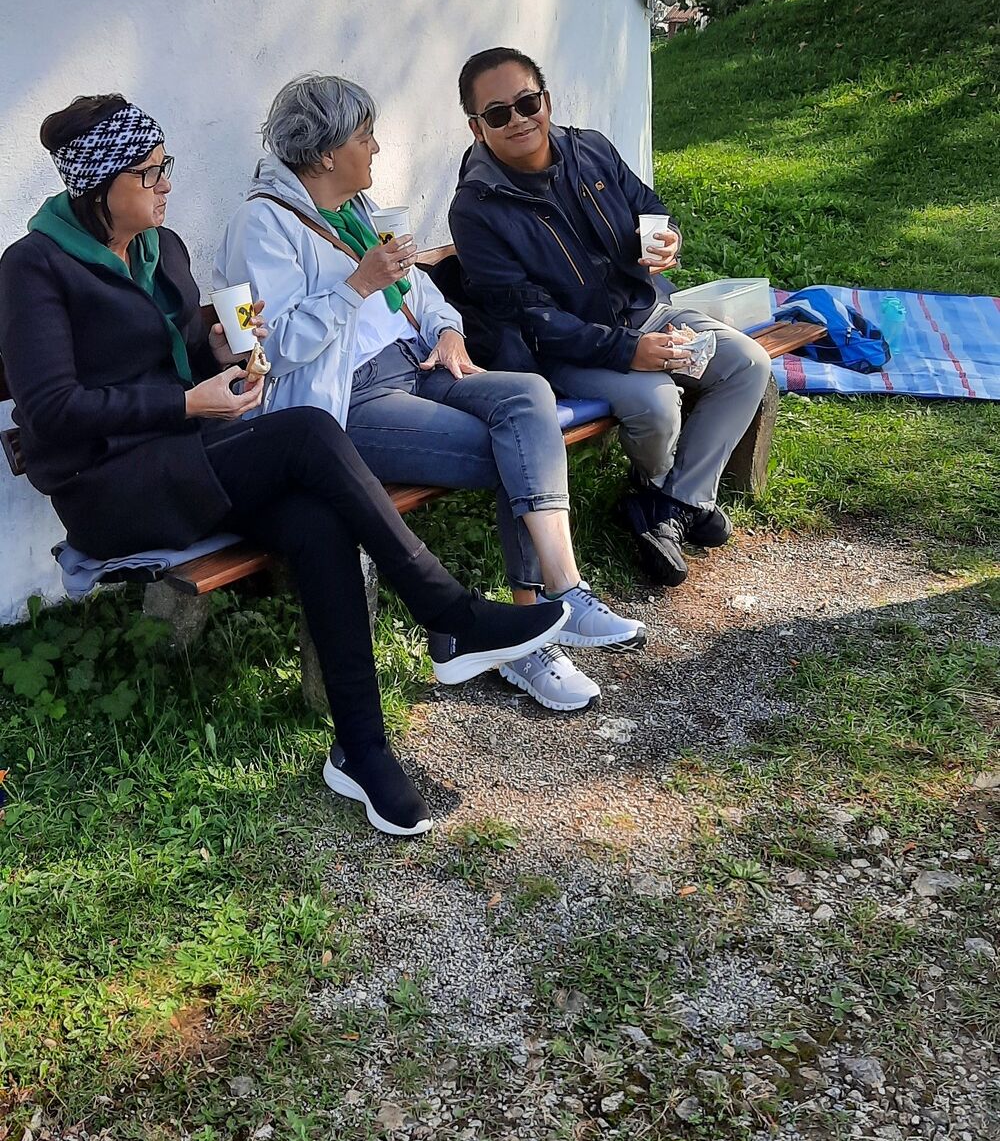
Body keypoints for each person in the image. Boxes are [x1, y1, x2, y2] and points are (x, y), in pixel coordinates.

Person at [0, 95, 572, 838]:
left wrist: (221, 349)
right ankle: (449, 613)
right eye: (150, 173)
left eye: (166, 165)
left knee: (315, 517)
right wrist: (186, 403)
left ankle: (362, 749)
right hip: (111, 489)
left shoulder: (161, 248)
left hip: (186, 458)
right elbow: (52, 409)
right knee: (306, 432)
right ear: (100, 184)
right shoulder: (33, 267)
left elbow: (177, 350)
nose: (167, 183)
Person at [215, 73, 645, 715]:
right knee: (513, 450)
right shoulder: (262, 225)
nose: (377, 148)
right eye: (365, 137)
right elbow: (270, 348)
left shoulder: (355, 210)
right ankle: (524, 637)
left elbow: (420, 290)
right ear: (327, 153)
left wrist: (447, 331)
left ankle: (560, 594)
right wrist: (356, 286)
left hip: (416, 366)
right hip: (347, 400)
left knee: (528, 398)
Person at [447, 48, 773, 586]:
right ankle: (667, 497)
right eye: (499, 113)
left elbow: (649, 206)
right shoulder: (476, 208)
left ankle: (672, 502)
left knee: (748, 364)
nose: (519, 120)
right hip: (562, 350)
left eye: (527, 103)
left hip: (645, 313)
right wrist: (629, 352)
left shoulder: (590, 150)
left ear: (546, 101)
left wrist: (667, 237)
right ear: (477, 128)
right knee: (656, 403)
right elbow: (530, 318)